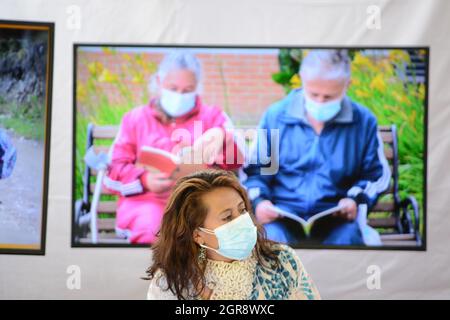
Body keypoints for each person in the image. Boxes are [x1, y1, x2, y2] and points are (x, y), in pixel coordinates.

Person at [243, 49, 391, 246]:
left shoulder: (363, 122)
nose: (320, 102)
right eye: (313, 94)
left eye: (329, 97)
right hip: (281, 218)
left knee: (348, 241)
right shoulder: (276, 117)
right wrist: (260, 202)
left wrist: (355, 200)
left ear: (347, 85)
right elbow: (257, 173)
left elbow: (375, 176)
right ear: (302, 79)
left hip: (337, 219)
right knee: (270, 242)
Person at [103, 51, 243, 244]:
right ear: (160, 82)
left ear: (197, 88)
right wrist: (145, 180)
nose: (179, 95)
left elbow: (238, 168)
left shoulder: (214, 117)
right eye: (173, 88)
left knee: (207, 231)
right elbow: (111, 173)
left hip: (200, 203)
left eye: (187, 90)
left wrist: (224, 138)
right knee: (152, 231)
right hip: (147, 204)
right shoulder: (135, 119)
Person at [145, 169, 320, 300]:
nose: (242, 221)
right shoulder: (171, 281)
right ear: (197, 235)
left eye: (242, 210)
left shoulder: (282, 259)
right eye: (227, 217)